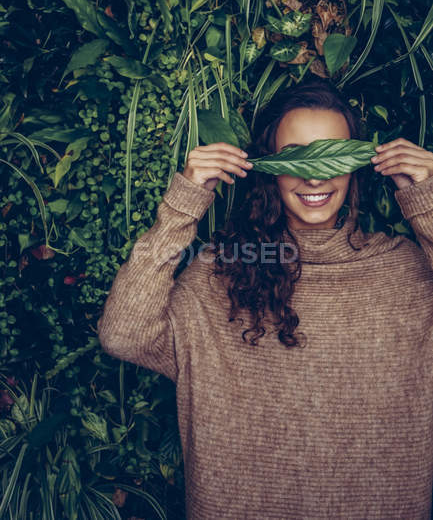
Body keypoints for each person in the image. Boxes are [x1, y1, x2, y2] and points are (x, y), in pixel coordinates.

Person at [97, 78, 433, 520]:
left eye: (332, 155)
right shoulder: (224, 271)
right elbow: (124, 334)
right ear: (269, 167)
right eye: (296, 156)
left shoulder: (405, 270)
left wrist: (427, 203)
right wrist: (184, 204)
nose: (315, 174)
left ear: (357, 166)